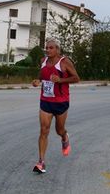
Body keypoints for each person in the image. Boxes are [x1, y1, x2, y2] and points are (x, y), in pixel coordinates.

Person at [32, 38, 80, 174]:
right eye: (47, 48)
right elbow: (42, 76)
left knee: (59, 130)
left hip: (61, 102)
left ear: (57, 49)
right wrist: (37, 81)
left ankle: (64, 137)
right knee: (44, 130)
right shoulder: (43, 61)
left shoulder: (64, 62)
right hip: (46, 101)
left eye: (51, 48)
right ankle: (41, 162)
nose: (48, 50)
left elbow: (76, 78)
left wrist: (61, 80)